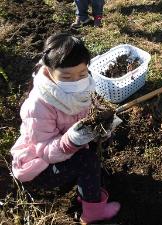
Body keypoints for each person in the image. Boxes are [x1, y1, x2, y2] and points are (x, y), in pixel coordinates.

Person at [10, 33, 121, 224]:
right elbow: (45, 151)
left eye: (82, 74)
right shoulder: (38, 106)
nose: (76, 81)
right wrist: (70, 141)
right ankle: (92, 213)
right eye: (67, 76)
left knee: (99, 142)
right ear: (49, 71)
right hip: (39, 167)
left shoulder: (84, 89)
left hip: (65, 150)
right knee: (87, 160)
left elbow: (85, 117)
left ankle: (86, 189)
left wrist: (101, 126)